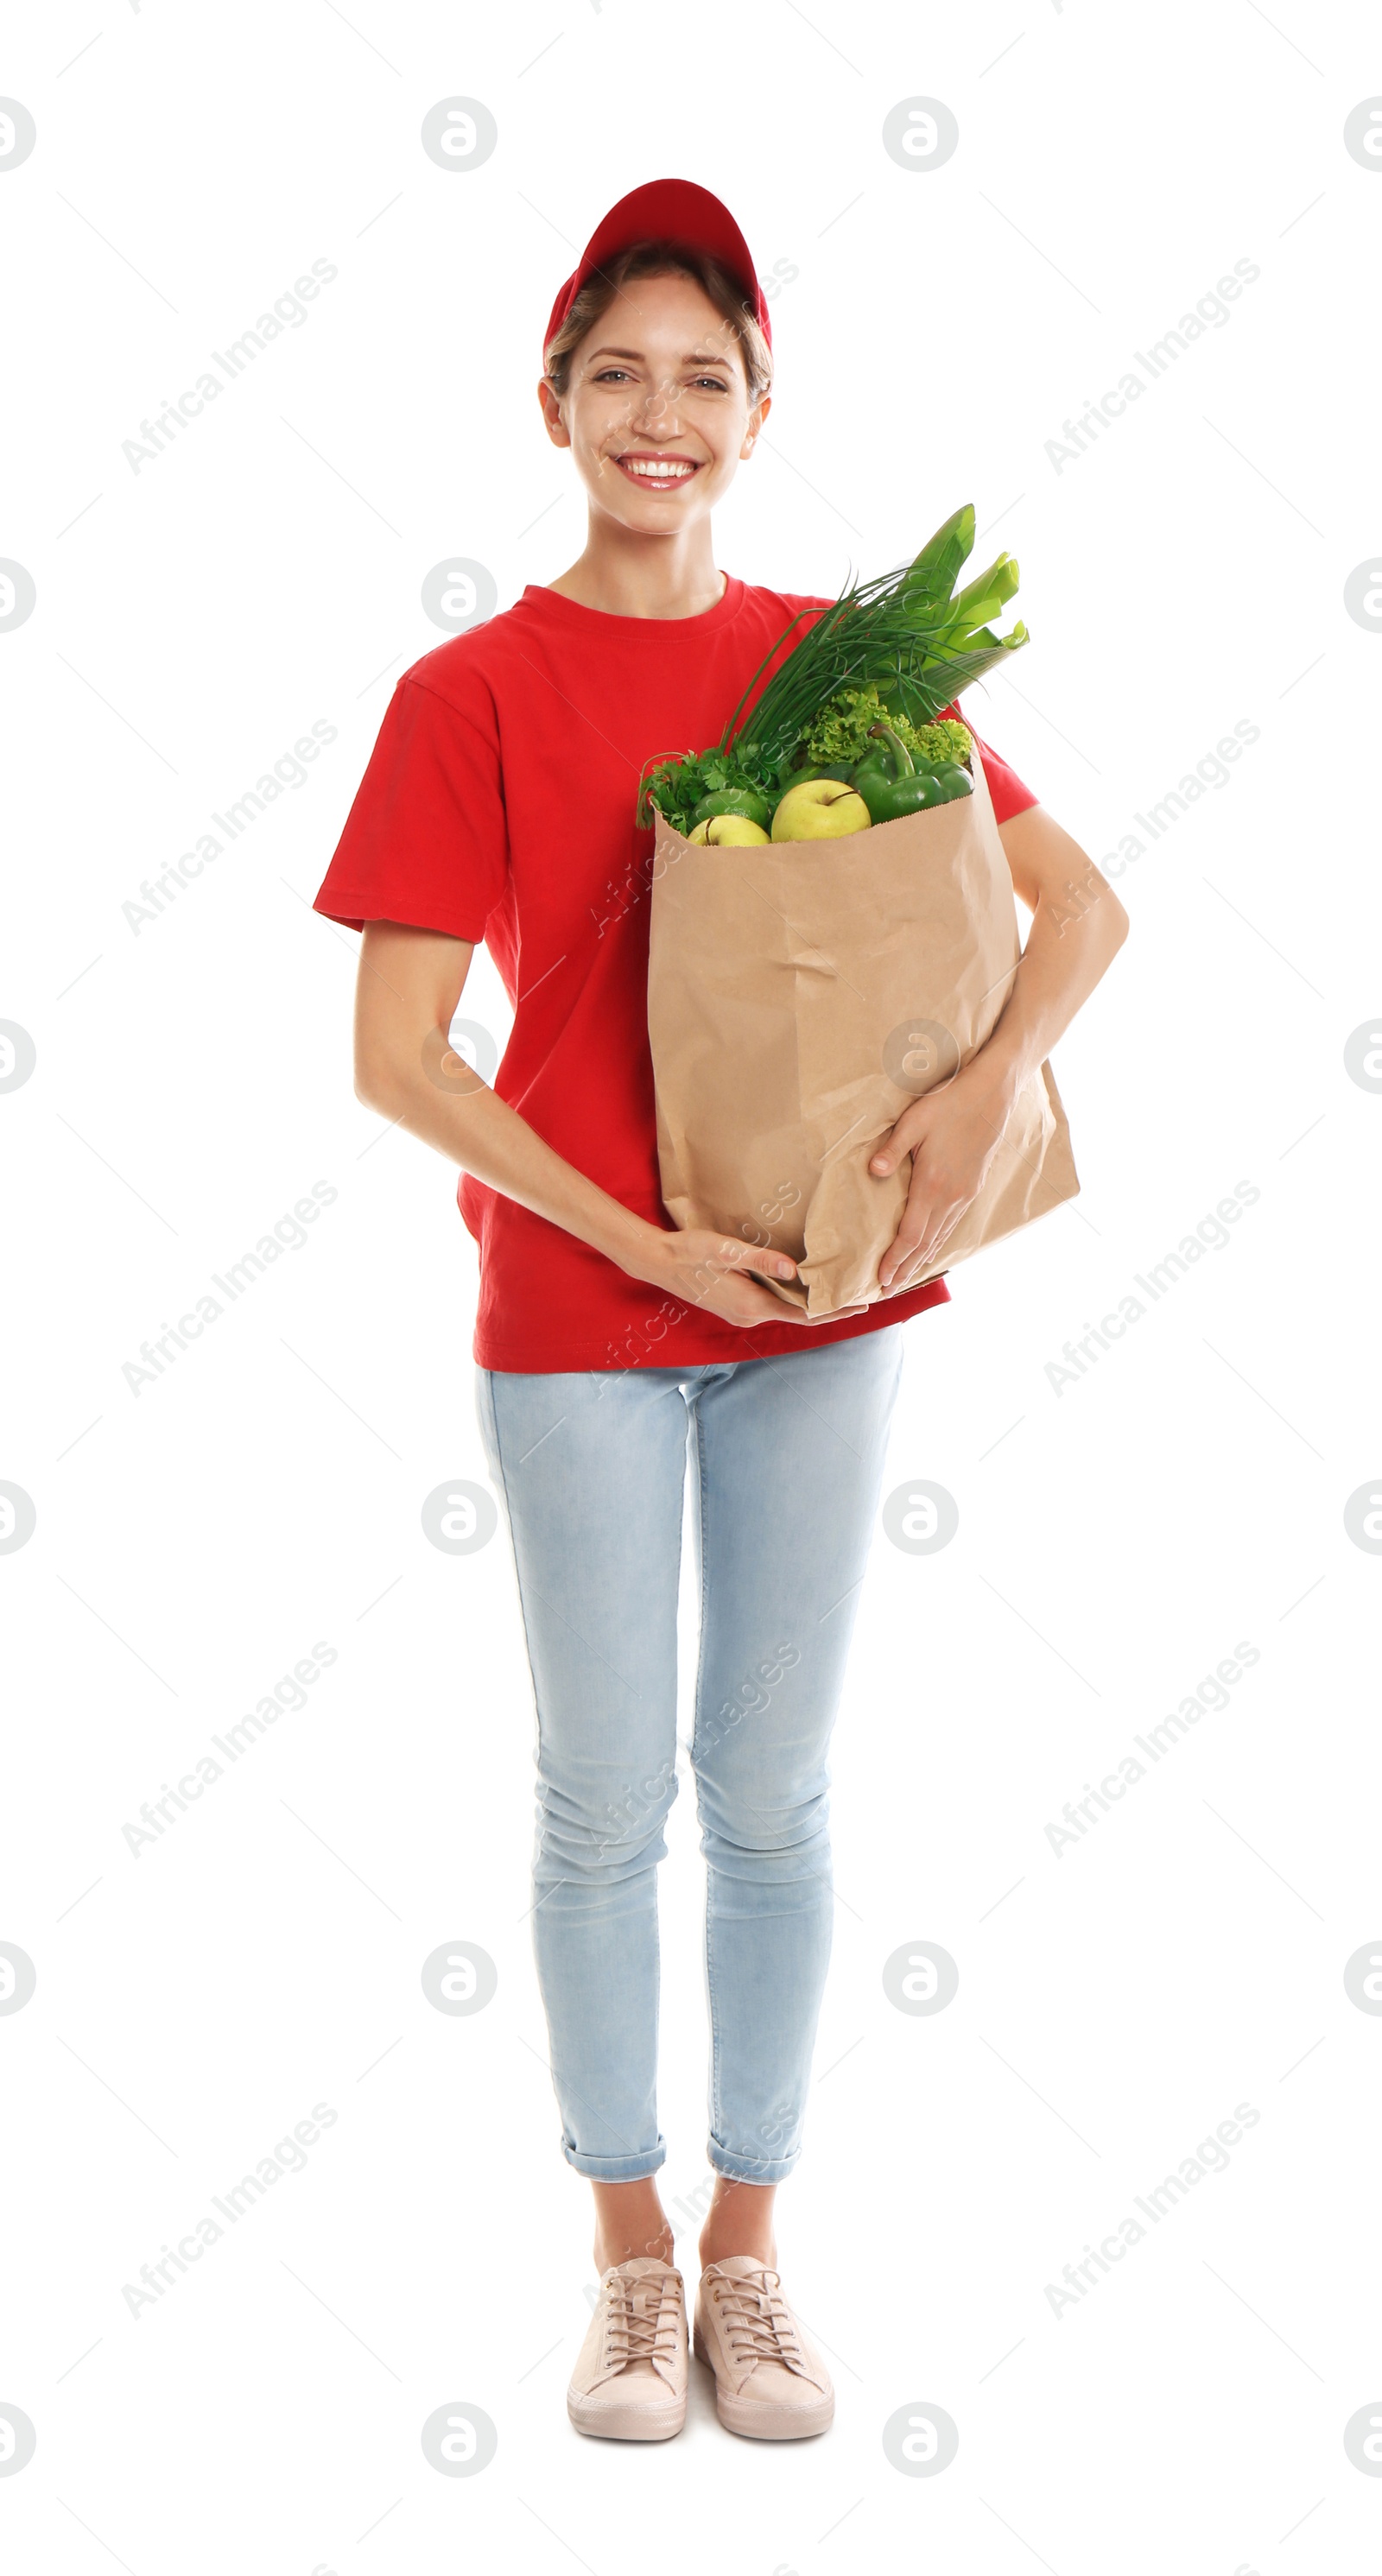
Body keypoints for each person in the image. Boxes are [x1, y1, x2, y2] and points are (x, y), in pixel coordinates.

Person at [314, 178, 1127, 2445]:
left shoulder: (835, 666)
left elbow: (1076, 904)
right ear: (554, 404)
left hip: (828, 1312)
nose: (656, 416)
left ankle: (754, 2262)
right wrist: (645, 1240)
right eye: (617, 375)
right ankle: (628, 2259)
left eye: (703, 377)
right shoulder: (465, 693)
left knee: (767, 1793)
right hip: (577, 1323)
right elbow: (397, 1062)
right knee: (600, 1808)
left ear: (761, 409)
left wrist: (985, 1089)